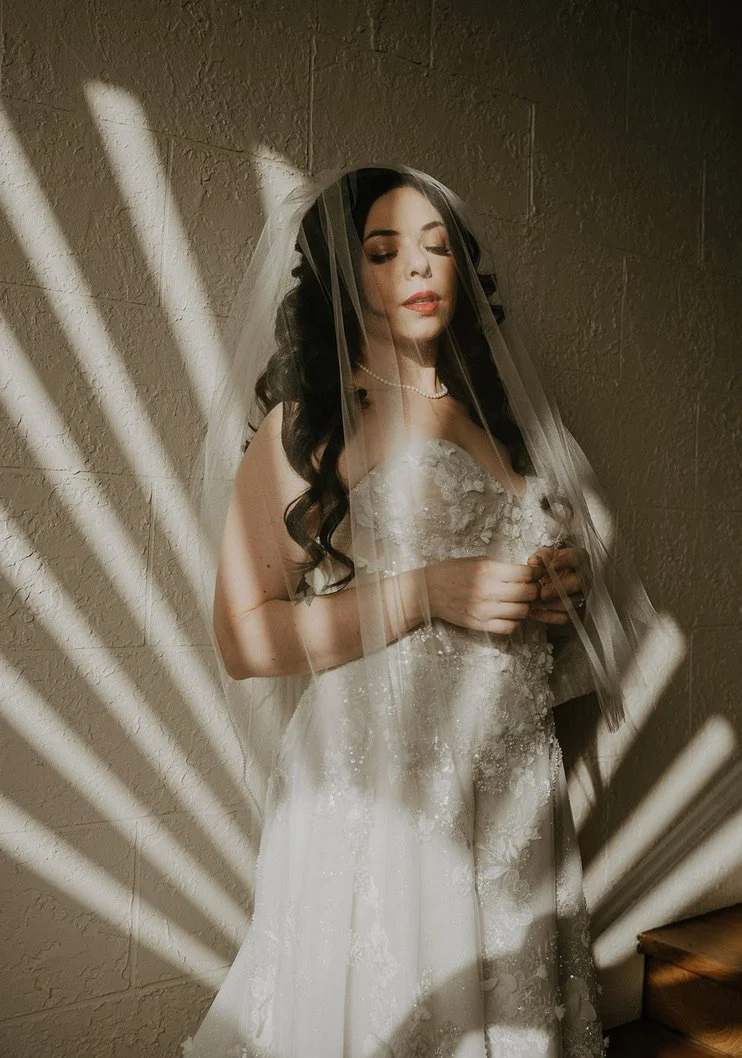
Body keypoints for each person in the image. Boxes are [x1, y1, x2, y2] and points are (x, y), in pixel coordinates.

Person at [182, 164, 659, 1057]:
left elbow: (512, 607)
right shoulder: (318, 421)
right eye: (384, 250)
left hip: (510, 785)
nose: (418, 269)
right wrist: (429, 590)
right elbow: (243, 636)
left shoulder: (495, 422)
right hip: (384, 791)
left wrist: (549, 599)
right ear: (342, 274)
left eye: (438, 248)